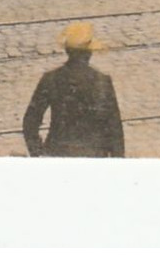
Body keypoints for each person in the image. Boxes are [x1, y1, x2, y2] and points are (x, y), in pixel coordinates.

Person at [22, 22, 125, 158]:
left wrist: (38, 154)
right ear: (89, 53)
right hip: (94, 156)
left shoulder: (51, 79)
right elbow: (115, 130)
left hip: (57, 153)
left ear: (67, 51)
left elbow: (30, 122)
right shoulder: (102, 81)